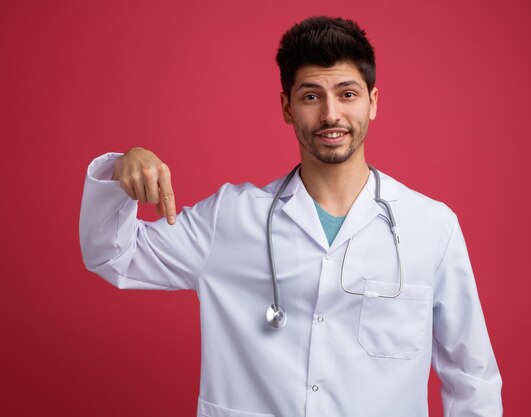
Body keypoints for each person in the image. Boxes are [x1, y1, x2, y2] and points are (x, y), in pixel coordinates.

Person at [80, 16, 502, 417]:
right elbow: (112, 255)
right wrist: (120, 169)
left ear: (373, 103)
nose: (331, 114)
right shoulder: (230, 218)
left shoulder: (431, 226)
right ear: (287, 106)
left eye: (348, 94)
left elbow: (472, 377)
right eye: (311, 96)